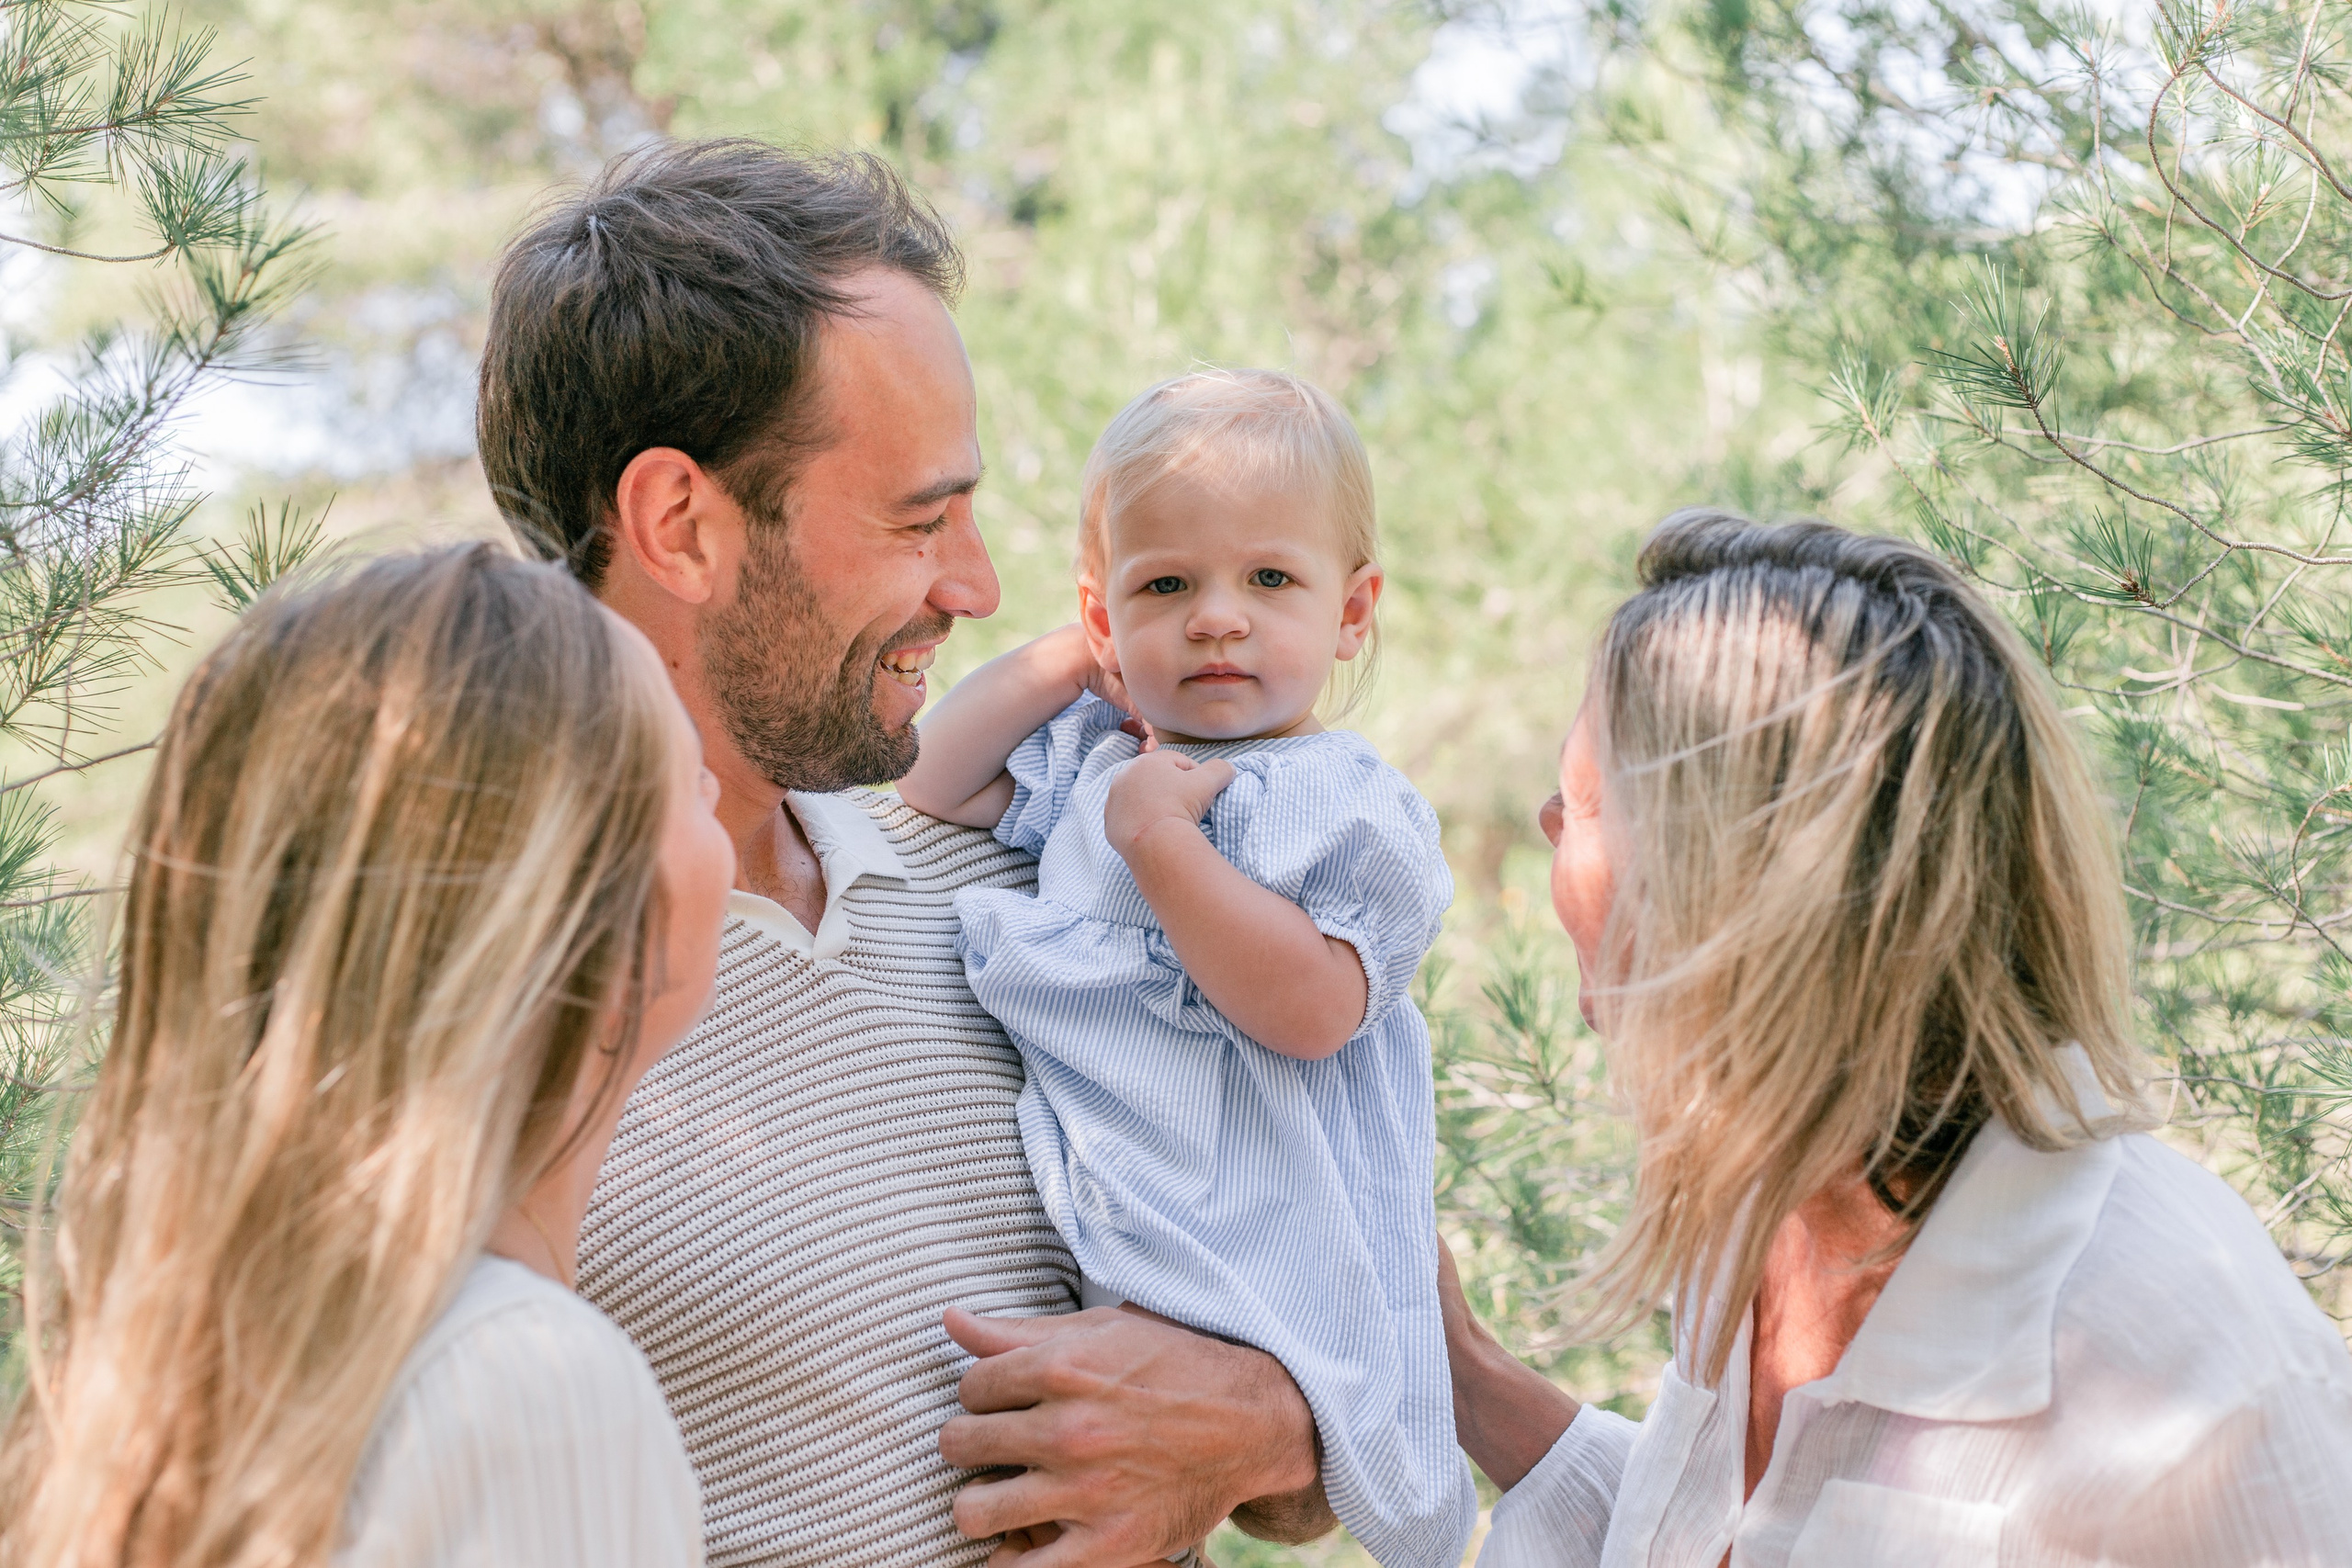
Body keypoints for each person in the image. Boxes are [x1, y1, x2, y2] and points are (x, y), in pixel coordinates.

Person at [478, 139, 1330, 1568]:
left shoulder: (1040, 893)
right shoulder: (443, 991)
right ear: (679, 524)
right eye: (918, 517)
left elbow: (1347, 1341)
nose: (977, 585)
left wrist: (1261, 1417)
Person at [1444, 512, 2352, 1566]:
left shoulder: (2194, 1376)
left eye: (1591, 803)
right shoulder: (1765, 1214)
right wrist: (1462, 1371)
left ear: (1746, 892)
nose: (1551, 835)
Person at [0, 547, 735, 1568]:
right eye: (681, 769)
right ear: (589, 924)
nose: (716, 786)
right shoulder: (526, 1388)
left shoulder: (148, 1391)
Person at [900, 368, 1474, 1567]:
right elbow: (928, 779)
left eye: (1270, 578)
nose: (1217, 616)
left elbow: (1316, 1007)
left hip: (1248, 1219)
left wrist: (1164, 847)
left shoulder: (1351, 805)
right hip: (1106, 1217)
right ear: (1106, 614)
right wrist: (1067, 663)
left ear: (1353, 610)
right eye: (1165, 584)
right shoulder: (1097, 760)